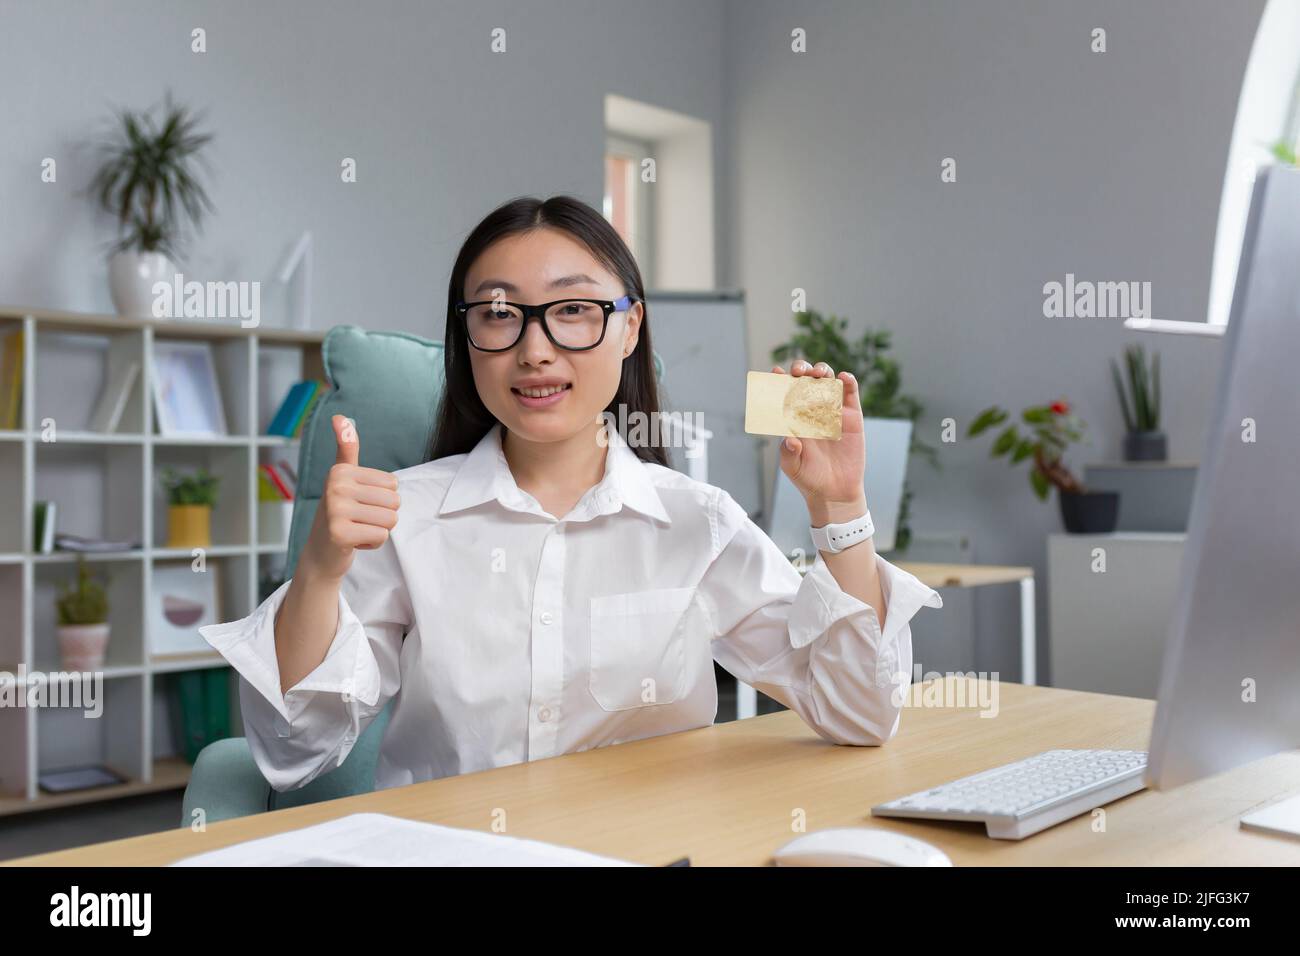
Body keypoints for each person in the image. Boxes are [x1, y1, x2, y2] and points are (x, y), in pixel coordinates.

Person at [201, 195, 942, 793]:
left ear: (629, 329)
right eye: (498, 313)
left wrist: (839, 506)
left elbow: (860, 713)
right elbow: (294, 747)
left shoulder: (696, 521)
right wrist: (320, 572)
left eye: (574, 309)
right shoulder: (405, 515)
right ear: (466, 340)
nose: (535, 348)